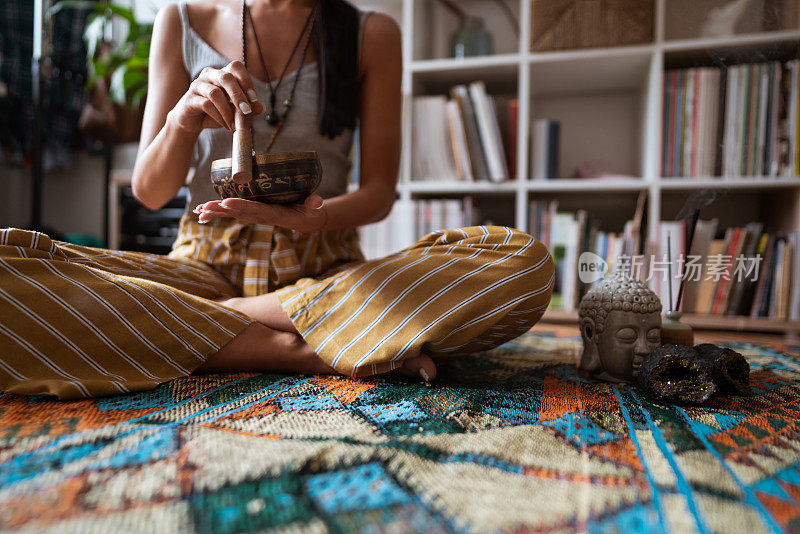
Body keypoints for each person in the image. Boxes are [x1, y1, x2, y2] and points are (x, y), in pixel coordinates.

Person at [0, 0, 554, 400]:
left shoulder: (371, 33)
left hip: (323, 266)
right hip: (204, 263)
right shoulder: (182, 18)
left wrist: (314, 220)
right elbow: (150, 190)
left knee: (522, 264)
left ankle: (202, 325)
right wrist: (181, 119)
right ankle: (296, 347)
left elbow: (381, 191)